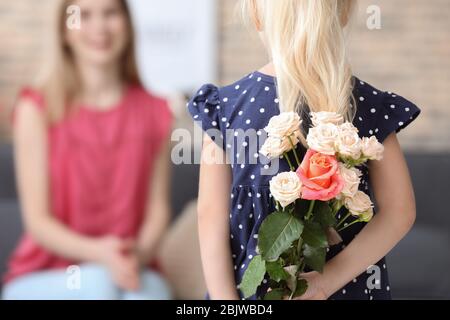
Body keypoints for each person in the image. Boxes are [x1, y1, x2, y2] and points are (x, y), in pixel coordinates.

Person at [187, 0, 421, 300]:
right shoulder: (368, 107)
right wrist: (325, 282)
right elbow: (399, 212)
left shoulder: (226, 108)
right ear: (345, 11)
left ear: (257, 14)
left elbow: (210, 217)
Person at [3, 0, 173, 300]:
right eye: (82, 15)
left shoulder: (156, 112)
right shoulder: (36, 109)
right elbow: (38, 222)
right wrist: (101, 254)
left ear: (127, 25)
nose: (99, 28)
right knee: (96, 284)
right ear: (63, 31)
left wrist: (137, 255)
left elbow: (157, 210)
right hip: (45, 274)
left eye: (110, 13)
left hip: (134, 268)